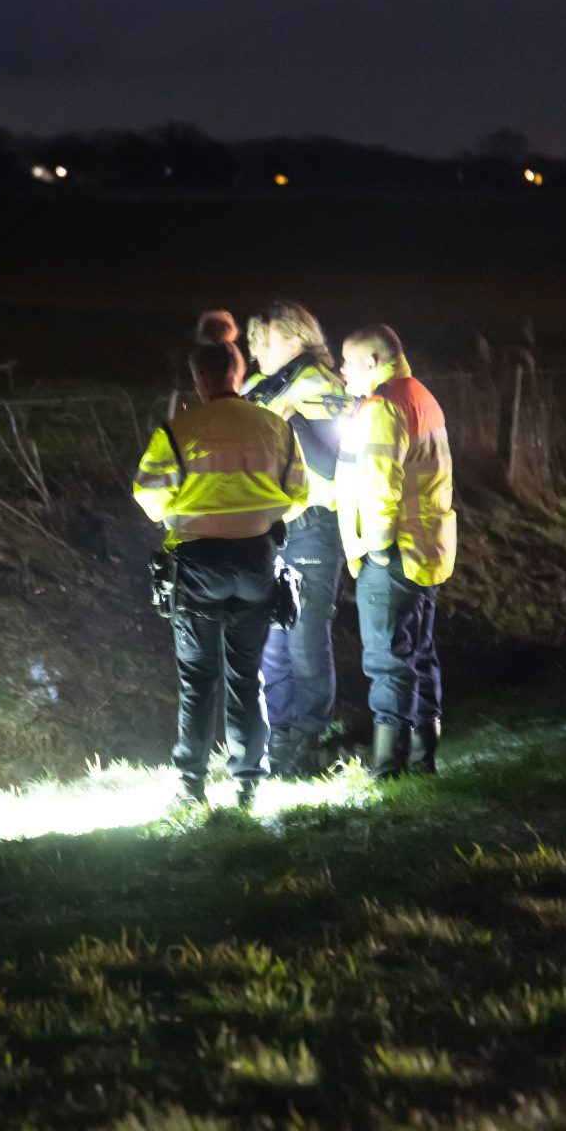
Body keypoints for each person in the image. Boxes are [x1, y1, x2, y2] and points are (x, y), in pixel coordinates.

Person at [134, 340, 308, 809]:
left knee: (197, 678)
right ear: (239, 372)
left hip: (198, 565)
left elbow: (147, 496)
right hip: (257, 561)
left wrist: (186, 513)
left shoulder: (177, 430)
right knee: (246, 677)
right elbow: (299, 495)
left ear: (200, 380)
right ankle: (249, 781)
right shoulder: (275, 427)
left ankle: (190, 785)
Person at [336, 324, 457, 778]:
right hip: (428, 545)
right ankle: (424, 760)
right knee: (419, 654)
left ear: (371, 360)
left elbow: (378, 486)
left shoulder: (383, 406)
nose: (340, 370)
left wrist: (378, 547)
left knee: (387, 660)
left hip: (396, 550)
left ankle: (388, 769)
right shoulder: (420, 395)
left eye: (346, 361)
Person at [242, 301, 353, 778]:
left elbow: (340, 462)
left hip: (312, 526)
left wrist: (293, 425)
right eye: (251, 344)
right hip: (267, 530)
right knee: (270, 645)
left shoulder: (318, 386)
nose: (255, 351)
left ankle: (308, 740)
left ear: (293, 338)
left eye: (262, 341)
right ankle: (281, 737)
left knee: (305, 642)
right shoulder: (258, 389)